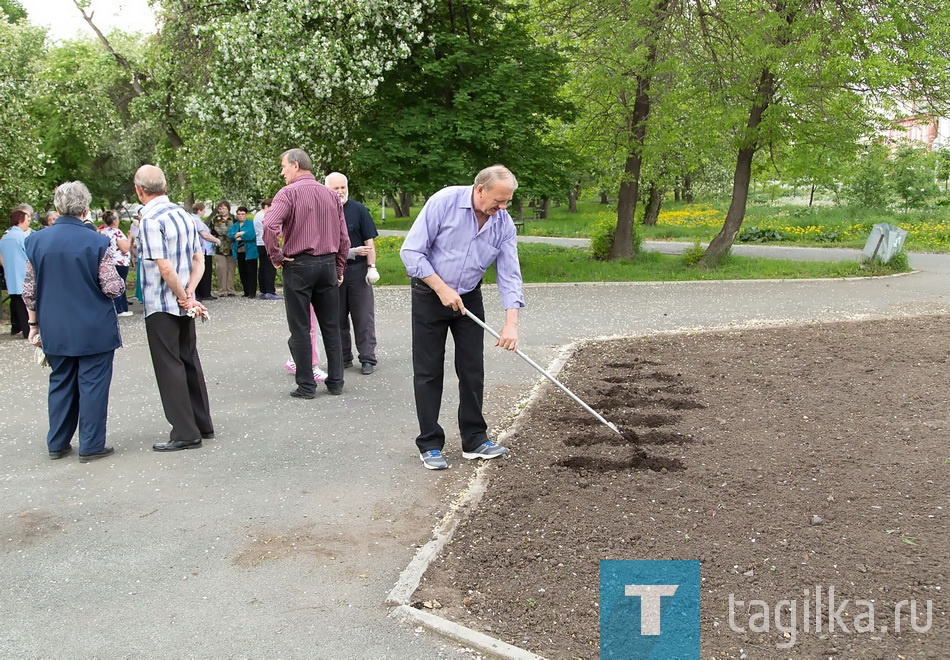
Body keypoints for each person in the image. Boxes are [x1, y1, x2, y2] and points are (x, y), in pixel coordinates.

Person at [399, 165, 524, 470]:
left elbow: (509, 275)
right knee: (428, 371)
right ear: (480, 189)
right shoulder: (444, 202)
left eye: (507, 201)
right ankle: (429, 443)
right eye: (499, 200)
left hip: (468, 296)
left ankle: (474, 440)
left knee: (472, 369)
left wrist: (511, 324)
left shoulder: (503, 224)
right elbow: (411, 252)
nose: (503, 208)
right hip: (430, 293)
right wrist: (441, 288)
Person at [23, 181, 124, 462]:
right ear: (86, 209)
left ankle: (57, 442)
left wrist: (33, 326)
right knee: (93, 384)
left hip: (55, 325)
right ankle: (91, 445)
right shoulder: (98, 241)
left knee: (60, 381)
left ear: (57, 207)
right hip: (93, 326)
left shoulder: (35, 241)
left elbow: (29, 292)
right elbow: (112, 287)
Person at [135, 164, 214, 452]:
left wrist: (182, 294)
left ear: (139, 190)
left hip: (162, 301)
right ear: (165, 186)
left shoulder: (149, 218)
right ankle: (202, 423)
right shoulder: (184, 215)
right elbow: (199, 259)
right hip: (184, 297)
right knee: (189, 358)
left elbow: (164, 267)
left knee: (169, 365)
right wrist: (191, 292)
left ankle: (184, 431)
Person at [263, 148, 349, 399]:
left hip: (299, 265)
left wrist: (276, 256)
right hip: (327, 264)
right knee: (331, 325)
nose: (282, 172)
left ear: (296, 166)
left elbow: (269, 225)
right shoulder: (330, 195)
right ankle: (336, 382)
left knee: (300, 327)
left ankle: (306, 385)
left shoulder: (288, 193)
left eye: (284, 167)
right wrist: (340, 266)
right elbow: (344, 237)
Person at [325, 172, 380, 375]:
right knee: (336, 317)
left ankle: (367, 358)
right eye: (336, 188)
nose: (340, 192)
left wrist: (371, 267)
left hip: (357, 271)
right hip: (333, 270)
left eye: (343, 188)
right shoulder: (324, 211)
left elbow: (369, 242)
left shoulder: (358, 210)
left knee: (363, 317)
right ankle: (343, 357)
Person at [0, 209, 32, 338]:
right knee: (27, 305)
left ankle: (19, 328)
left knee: (17, 303)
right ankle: (28, 330)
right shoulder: (22, 236)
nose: (28, 223)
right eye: (27, 220)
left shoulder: (5, 237)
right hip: (24, 273)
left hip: (11, 274)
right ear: (20, 221)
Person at [99, 210, 133, 317]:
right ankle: (120, 309)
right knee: (120, 284)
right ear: (114, 220)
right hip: (120, 262)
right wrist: (130, 238)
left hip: (108, 262)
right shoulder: (117, 232)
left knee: (111, 284)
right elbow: (125, 248)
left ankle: (117, 307)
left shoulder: (103, 232)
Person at [191, 202, 220, 301]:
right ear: (199, 210)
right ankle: (205, 293)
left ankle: (199, 293)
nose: (204, 212)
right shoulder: (197, 221)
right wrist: (216, 240)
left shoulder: (191, 219)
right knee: (205, 272)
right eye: (203, 210)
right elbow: (205, 235)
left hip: (199, 249)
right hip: (204, 250)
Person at [254, 198, 281, 300]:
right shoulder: (264, 216)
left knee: (263, 267)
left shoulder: (257, 215)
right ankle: (270, 291)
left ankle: (263, 290)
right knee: (270, 268)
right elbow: (270, 229)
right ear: (266, 206)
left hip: (260, 243)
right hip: (266, 243)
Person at [209, 200, 237, 296]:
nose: (222, 210)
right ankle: (222, 290)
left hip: (231, 246)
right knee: (221, 268)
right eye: (220, 208)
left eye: (224, 208)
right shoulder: (215, 220)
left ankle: (230, 289)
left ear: (228, 209)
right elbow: (210, 232)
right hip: (219, 247)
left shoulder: (234, 218)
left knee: (231, 268)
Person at [229, 206, 258, 298]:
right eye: (239, 214)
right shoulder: (235, 225)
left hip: (250, 251)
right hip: (239, 251)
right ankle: (246, 291)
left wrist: (240, 235)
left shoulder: (251, 224)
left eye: (242, 214)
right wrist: (239, 234)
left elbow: (251, 235)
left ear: (246, 214)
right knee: (242, 272)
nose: (240, 216)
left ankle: (252, 292)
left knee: (251, 272)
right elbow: (230, 235)